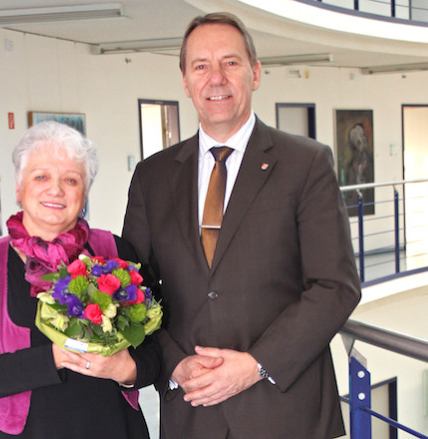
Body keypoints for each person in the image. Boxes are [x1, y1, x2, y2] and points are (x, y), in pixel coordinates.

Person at [122, 12, 361, 439]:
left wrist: (255, 365)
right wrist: (174, 363)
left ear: (255, 73)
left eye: (230, 63)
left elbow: (335, 285)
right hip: (192, 411)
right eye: (201, 66)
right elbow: (135, 290)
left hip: (286, 414)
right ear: (185, 80)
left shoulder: (307, 163)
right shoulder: (152, 177)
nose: (216, 78)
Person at [0, 121, 159, 438]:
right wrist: (56, 357)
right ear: (18, 187)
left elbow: (155, 351)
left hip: (114, 428)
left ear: (85, 191)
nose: (56, 189)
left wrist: (128, 370)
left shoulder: (115, 251)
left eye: (71, 179)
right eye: (41, 177)